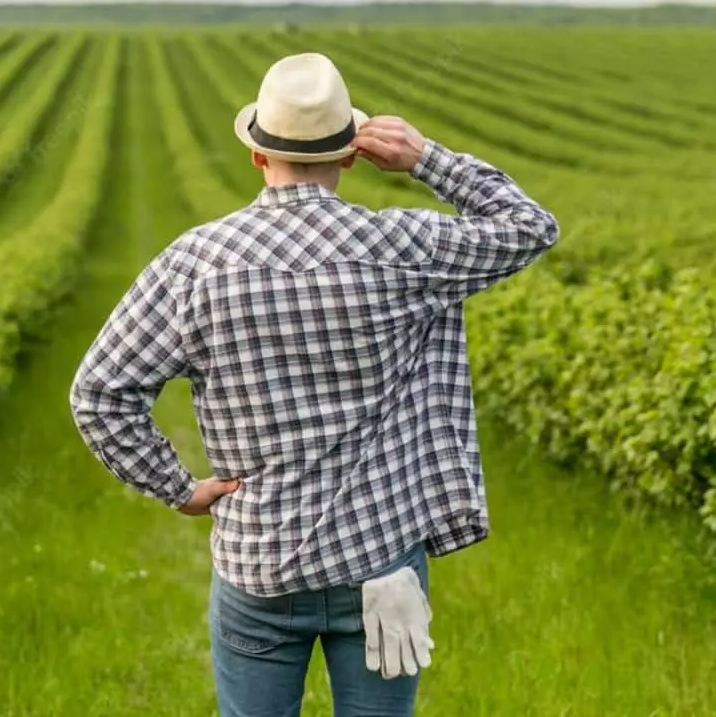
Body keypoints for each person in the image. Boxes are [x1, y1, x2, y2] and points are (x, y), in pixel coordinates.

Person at [70, 52, 559, 717]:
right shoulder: (401, 248)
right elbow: (531, 226)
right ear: (352, 155)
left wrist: (178, 488)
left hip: (259, 564)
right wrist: (424, 158)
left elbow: (100, 393)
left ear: (257, 156)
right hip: (381, 561)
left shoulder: (194, 265)